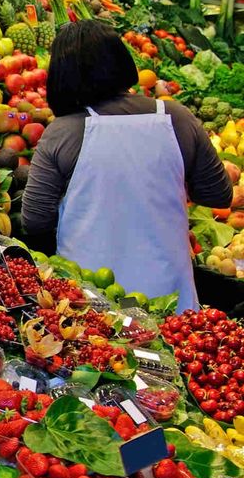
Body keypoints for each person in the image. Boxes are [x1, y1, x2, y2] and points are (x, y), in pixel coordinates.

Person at [21, 20, 232, 312]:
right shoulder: (177, 117)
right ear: (122, 62)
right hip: (169, 294)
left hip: (88, 298)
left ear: (63, 76)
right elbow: (218, 195)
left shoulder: (62, 132)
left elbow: (34, 220)